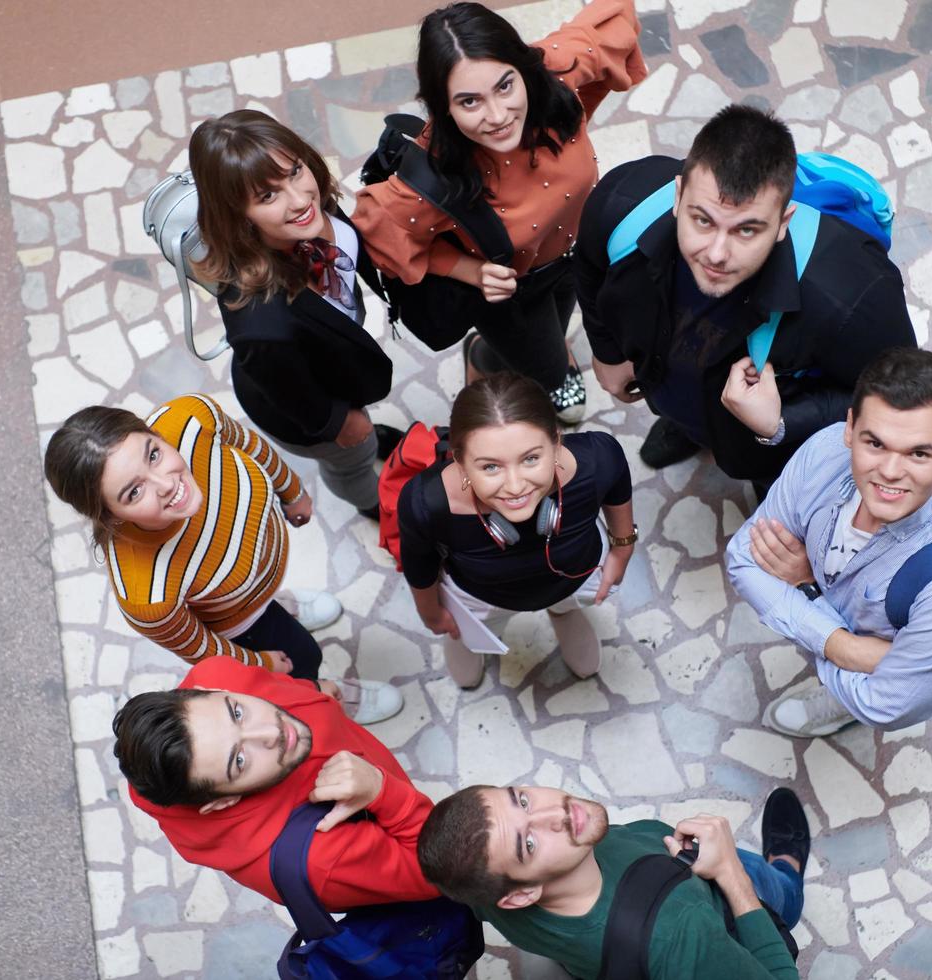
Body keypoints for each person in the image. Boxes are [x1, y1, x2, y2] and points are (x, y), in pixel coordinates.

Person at [573, 104, 916, 485]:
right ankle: (687, 429)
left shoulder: (853, 296)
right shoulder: (623, 202)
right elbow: (588, 264)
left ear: (783, 223)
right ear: (677, 196)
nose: (717, 253)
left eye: (746, 231)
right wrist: (606, 351)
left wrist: (781, 422)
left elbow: (899, 398)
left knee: (769, 481)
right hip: (666, 379)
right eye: (702, 220)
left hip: (766, 441)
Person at [354, 0, 646, 423]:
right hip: (514, 293)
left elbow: (612, 21)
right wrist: (469, 271)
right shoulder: (437, 173)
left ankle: (500, 353)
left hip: (576, 257)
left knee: (559, 325)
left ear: (524, 70)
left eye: (505, 86)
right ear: (444, 107)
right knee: (544, 366)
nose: (497, 116)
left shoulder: (555, 74)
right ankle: (498, 361)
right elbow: (377, 235)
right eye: (469, 102)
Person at [44, 393, 401, 724]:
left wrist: (291, 490)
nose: (166, 484)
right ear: (111, 516)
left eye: (153, 454)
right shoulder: (147, 595)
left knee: (269, 605)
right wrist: (260, 664)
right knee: (303, 658)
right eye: (134, 492)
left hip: (254, 576)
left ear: (153, 432)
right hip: (240, 621)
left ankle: (277, 604)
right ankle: (330, 701)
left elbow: (249, 445)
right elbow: (203, 648)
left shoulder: (190, 419)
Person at [725, 348, 932, 737]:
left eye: (918, 453)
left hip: (885, 650)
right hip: (856, 638)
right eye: (875, 444)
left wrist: (805, 596)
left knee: (861, 696)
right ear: (850, 427)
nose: (889, 472)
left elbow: (886, 707)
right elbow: (741, 560)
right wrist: (845, 648)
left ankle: (838, 703)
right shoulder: (825, 450)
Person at [191, 109, 401, 521]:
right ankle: (369, 500)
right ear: (238, 216)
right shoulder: (263, 327)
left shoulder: (310, 214)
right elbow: (296, 397)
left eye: (295, 171)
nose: (301, 199)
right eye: (267, 196)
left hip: (322, 361)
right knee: (352, 459)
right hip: (304, 408)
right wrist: (342, 424)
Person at [113, 656, 437, 908]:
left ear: (210, 692)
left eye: (238, 713)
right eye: (239, 760)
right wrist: (385, 793)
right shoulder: (317, 859)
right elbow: (435, 875)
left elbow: (276, 685)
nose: (273, 732)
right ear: (223, 801)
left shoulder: (217, 673)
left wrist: (313, 691)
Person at [418, 782, 808, 979]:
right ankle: (787, 870)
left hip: (660, 876)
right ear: (521, 896)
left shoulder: (479, 884)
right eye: (530, 843)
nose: (556, 813)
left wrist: (381, 791)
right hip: (713, 887)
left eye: (521, 800)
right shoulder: (681, 932)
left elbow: (426, 854)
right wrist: (730, 871)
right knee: (772, 888)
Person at [398, 373, 636, 688]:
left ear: (556, 441)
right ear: (461, 462)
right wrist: (433, 615)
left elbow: (618, 486)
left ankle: (562, 612)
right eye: (490, 467)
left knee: (568, 601)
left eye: (531, 458)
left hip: (573, 579)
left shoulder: (597, 457)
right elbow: (420, 566)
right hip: (479, 597)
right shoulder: (426, 502)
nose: (514, 487)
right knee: (477, 628)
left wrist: (622, 549)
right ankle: (472, 638)